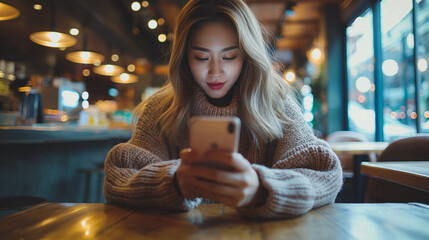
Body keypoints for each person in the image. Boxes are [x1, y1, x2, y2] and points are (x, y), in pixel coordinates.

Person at [104, 0, 343, 219]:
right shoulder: (161, 109)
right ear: (184, 58)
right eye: (201, 57)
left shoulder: (278, 105)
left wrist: (261, 190)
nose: (216, 72)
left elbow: (324, 173)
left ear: (248, 55)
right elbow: (120, 175)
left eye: (229, 57)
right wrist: (174, 182)